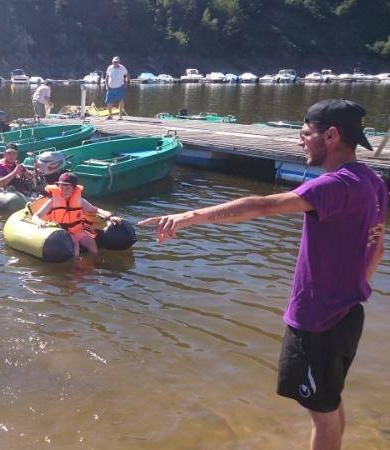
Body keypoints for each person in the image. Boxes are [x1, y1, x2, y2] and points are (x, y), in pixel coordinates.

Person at [138, 99, 386, 450]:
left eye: (305, 134)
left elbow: (263, 205)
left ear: (330, 135)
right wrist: (353, 288)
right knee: (329, 402)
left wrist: (190, 216)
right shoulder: (372, 182)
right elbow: (376, 248)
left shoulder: (333, 186)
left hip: (320, 321)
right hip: (347, 315)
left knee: (322, 416)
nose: (299, 142)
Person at [34, 172, 123, 257]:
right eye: (62, 187)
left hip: (77, 230)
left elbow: (94, 209)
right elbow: (36, 215)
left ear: (74, 189)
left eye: (68, 188)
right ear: (58, 186)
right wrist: (38, 221)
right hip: (60, 232)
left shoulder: (79, 200)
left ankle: (91, 267)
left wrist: (110, 217)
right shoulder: (53, 201)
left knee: (92, 245)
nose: (64, 190)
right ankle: (76, 270)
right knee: (75, 247)